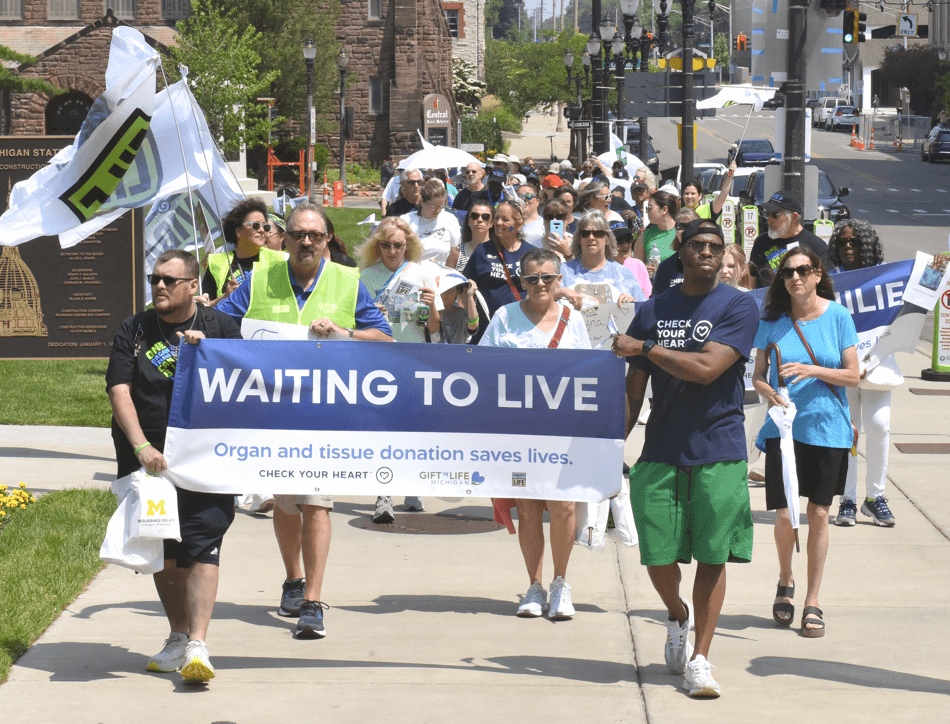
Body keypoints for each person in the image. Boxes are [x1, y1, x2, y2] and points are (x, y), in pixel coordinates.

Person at [216, 203, 393, 640]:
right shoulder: (260, 279)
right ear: (285, 238)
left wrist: (344, 333)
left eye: (315, 234)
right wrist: (202, 328)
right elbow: (221, 321)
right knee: (286, 502)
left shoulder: (347, 282)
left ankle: (313, 599)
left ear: (328, 238)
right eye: (298, 234)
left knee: (317, 501)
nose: (307, 242)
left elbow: (384, 335)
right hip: (271, 412)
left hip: (325, 413)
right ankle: (292, 577)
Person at [613, 219, 759, 698]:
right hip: (660, 448)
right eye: (697, 245)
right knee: (657, 555)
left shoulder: (737, 304)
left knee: (713, 556)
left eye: (715, 247)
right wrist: (615, 443)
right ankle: (676, 614)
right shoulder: (653, 308)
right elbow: (634, 388)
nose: (707, 253)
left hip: (719, 447)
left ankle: (701, 657)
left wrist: (647, 347)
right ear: (680, 251)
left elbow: (707, 368)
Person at [107, 249, 243, 683]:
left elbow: (246, 384)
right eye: (154, 279)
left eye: (169, 280)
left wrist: (211, 355)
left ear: (191, 286)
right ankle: (178, 635)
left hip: (204, 457)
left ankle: (198, 645)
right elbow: (119, 390)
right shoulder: (135, 329)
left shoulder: (219, 328)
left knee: (203, 540)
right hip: (148, 459)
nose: (159, 287)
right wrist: (142, 446)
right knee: (163, 546)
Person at [751, 247, 859, 639]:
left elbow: (853, 376)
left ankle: (812, 599)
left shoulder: (838, 316)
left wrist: (811, 369)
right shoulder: (772, 322)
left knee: (818, 514)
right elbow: (758, 376)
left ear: (817, 275)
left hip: (829, 430)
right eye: (788, 272)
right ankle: (785, 578)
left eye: (803, 270)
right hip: (784, 431)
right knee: (784, 516)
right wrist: (770, 393)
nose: (795, 277)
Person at [480, 247, 591, 619]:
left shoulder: (573, 319)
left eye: (547, 277)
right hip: (518, 431)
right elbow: (482, 367)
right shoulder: (504, 317)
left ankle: (560, 583)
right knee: (527, 509)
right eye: (532, 279)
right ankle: (534, 585)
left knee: (563, 507)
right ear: (521, 281)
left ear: (558, 280)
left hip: (563, 430)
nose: (540, 285)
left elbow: (589, 373)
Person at [357, 217, 437, 521]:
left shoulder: (421, 274)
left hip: (413, 357)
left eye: (398, 245)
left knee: (412, 427)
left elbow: (433, 327)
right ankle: (383, 494)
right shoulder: (366, 276)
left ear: (409, 245)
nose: (392, 250)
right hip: (378, 359)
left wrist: (431, 306)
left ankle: (412, 485)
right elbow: (355, 325)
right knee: (383, 428)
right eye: (386, 245)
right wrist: (370, 316)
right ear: (378, 246)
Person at [827, 220, 897, 527]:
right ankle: (848, 500)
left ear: (867, 244)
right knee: (849, 432)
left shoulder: (887, 277)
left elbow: (923, 293)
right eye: (843, 243)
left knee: (879, 426)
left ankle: (875, 497)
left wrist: (935, 268)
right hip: (843, 369)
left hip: (878, 364)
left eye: (854, 242)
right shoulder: (829, 282)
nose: (848, 247)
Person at [202, 198, 285, 306]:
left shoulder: (281, 260)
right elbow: (204, 307)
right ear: (238, 231)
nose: (261, 230)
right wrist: (225, 296)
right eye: (255, 225)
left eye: (266, 226)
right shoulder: (216, 263)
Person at [560, 210, 646, 306]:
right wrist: (560, 293)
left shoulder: (624, 274)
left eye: (598, 233)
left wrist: (633, 302)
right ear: (579, 239)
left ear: (607, 239)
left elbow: (642, 310)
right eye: (585, 233)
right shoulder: (563, 272)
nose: (591, 237)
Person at [748, 190, 830, 288]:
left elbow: (824, 286)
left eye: (775, 215)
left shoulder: (816, 247)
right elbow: (752, 278)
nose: (769, 220)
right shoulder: (761, 242)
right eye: (767, 213)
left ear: (794, 217)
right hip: (764, 301)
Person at [401, 178, 461, 267]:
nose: (437, 211)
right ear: (422, 202)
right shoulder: (406, 220)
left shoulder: (450, 219)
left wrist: (444, 273)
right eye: (433, 206)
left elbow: (454, 251)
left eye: (440, 207)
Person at [651, 208, 700, 293]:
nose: (685, 231)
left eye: (690, 226)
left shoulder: (708, 262)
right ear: (675, 229)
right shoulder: (665, 266)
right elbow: (656, 300)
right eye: (680, 226)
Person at [636, 189, 680, 266]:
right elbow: (636, 268)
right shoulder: (645, 236)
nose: (647, 212)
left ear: (664, 210)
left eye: (650, 208)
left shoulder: (681, 232)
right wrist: (645, 269)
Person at [609, 220, 652, 298]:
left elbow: (647, 299)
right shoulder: (600, 267)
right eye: (620, 240)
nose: (626, 245)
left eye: (628, 239)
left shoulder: (638, 265)